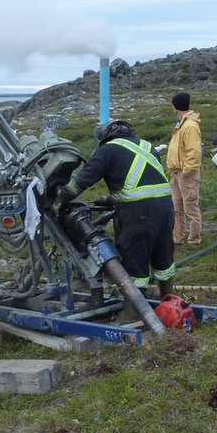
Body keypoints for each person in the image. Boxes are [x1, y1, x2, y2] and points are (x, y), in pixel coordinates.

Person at [55, 120, 176, 299]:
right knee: (162, 250)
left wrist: (60, 199)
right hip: (165, 208)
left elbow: (82, 180)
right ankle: (168, 295)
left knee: (134, 257)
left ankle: (133, 311)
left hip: (138, 214)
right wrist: (111, 199)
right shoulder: (146, 146)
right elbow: (144, 182)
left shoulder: (108, 150)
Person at [166, 92, 202, 246]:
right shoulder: (180, 123)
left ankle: (194, 239)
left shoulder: (190, 126)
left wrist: (187, 171)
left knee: (191, 208)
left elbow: (193, 151)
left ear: (176, 106)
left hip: (186, 173)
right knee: (176, 208)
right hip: (176, 172)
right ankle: (177, 238)